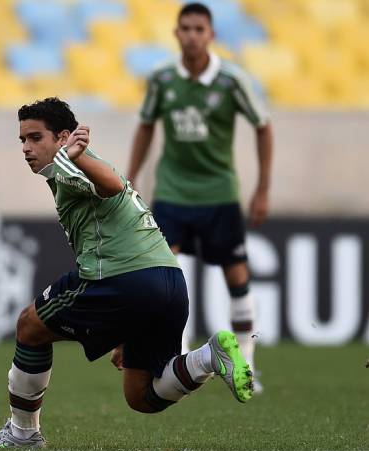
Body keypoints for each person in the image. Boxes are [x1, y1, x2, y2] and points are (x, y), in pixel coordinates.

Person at [0, 97, 253, 449]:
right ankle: (208, 358)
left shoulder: (71, 164)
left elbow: (112, 186)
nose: (26, 149)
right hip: (168, 281)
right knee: (140, 395)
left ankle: (23, 434)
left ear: (63, 137)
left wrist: (74, 157)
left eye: (35, 138)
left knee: (29, 326)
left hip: (124, 277)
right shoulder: (73, 168)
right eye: (22, 141)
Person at [126, 2, 273, 392]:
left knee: (237, 278)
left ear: (211, 35)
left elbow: (263, 126)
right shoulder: (161, 78)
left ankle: (248, 365)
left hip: (219, 194)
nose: (191, 35)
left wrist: (262, 189)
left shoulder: (231, 80)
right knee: (167, 276)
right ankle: (180, 356)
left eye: (198, 29)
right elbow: (145, 125)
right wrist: (132, 176)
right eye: (185, 28)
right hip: (172, 193)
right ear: (176, 34)